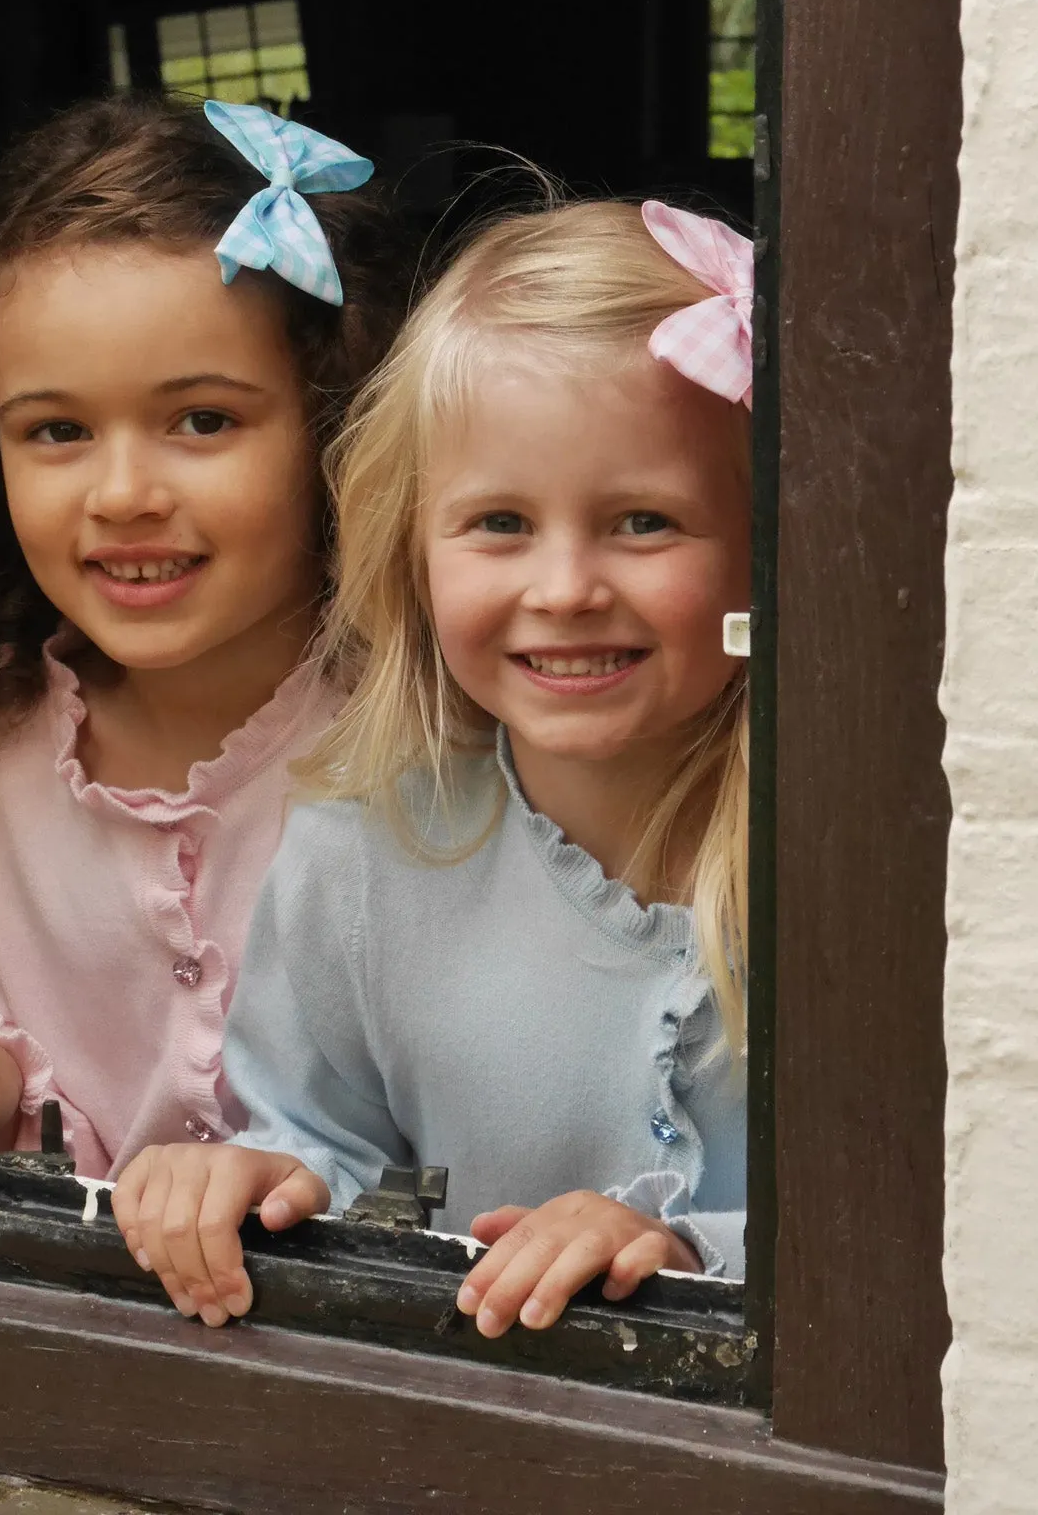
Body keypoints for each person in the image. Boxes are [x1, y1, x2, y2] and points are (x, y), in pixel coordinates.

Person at [114, 196, 755, 1338]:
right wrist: (252, 1181)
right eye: (499, 521)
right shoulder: (361, 851)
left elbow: (950, 1201)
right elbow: (318, 1141)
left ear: (770, 539)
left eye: (644, 521)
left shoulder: (860, 850)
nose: (563, 588)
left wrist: (687, 1249)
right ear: (408, 547)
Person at [0, 93, 410, 1265]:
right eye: (57, 431)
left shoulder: (427, 743)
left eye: (200, 418)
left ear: (337, 426)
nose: (122, 491)